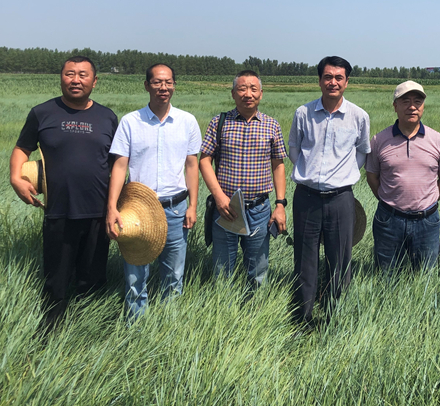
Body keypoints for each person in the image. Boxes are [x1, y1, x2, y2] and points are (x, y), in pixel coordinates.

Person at [10, 56, 118, 330]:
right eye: (70, 74)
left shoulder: (107, 117)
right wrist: (15, 178)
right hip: (58, 210)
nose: (76, 80)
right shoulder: (42, 113)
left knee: (93, 277)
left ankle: (90, 330)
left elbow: (117, 163)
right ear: (61, 78)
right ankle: (50, 331)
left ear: (94, 81)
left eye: (83, 75)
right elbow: (22, 148)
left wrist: (115, 206)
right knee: (56, 278)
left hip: (98, 212)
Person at [106, 64, 201, 320]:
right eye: (158, 82)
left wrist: (193, 205)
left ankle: (168, 325)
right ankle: (135, 327)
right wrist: (112, 207)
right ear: (147, 85)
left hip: (175, 209)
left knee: (174, 275)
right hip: (137, 211)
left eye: (168, 82)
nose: (163, 87)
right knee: (135, 276)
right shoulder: (130, 122)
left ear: (174, 86)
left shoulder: (187, 121)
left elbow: (192, 165)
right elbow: (120, 166)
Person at [288, 55, 370, 325]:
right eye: (327, 77)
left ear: (347, 82)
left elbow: (362, 152)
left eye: (338, 77)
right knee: (304, 259)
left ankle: (335, 317)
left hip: (341, 199)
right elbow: (294, 149)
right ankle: (302, 318)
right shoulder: (303, 113)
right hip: (306, 197)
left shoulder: (359, 116)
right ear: (319, 80)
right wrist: (310, 172)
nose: (332, 82)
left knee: (340, 259)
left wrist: (343, 174)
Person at [199, 70, 288, 288]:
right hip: (226, 207)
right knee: (222, 268)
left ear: (261, 94)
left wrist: (280, 204)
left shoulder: (272, 125)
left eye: (253, 89)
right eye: (242, 89)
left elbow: (278, 165)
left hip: (259, 209)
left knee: (258, 269)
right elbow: (204, 161)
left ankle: (255, 305)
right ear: (233, 93)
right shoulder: (219, 122)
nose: (248, 94)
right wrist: (219, 197)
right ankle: (223, 304)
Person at [366, 81, 440, 271]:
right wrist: (389, 199)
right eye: (405, 101)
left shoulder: (438, 140)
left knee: (425, 277)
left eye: (417, 101)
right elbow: (372, 177)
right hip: (388, 220)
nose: (412, 107)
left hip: (427, 221)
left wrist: (428, 200)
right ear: (395, 106)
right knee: (386, 276)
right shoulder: (379, 140)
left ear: (423, 106)